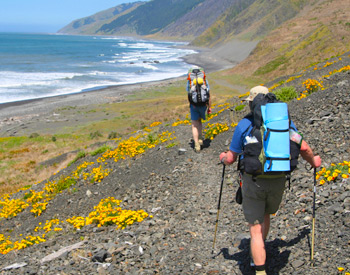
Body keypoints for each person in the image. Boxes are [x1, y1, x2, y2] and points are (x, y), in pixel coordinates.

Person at [219, 86, 321, 275]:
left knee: (255, 228)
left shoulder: (245, 125)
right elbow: (304, 147)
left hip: (254, 181)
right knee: (265, 214)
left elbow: (231, 158)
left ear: (251, 104)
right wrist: (314, 161)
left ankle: (258, 268)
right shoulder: (284, 124)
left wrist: (223, 157)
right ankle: (261, 250)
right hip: (278, 180)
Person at [186, 66, 212, 152]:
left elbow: (189, 94)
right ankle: (200, 139)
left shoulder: (190, 82)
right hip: (203, 105)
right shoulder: (204, 81)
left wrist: (191, 104)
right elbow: (208, 94)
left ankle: (197, 145)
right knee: (199, 121)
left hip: (194, 105)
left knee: (194, 125)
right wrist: (209, 107)